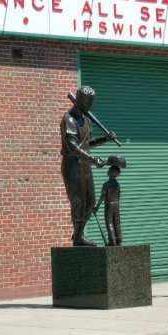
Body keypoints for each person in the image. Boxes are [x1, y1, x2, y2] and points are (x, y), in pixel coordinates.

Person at [60, 86, 116, 246]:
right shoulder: (69, 118)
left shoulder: (86, 118)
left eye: (91, 103)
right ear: (78, 100)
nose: (89, 106)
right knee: (79, 201)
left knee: (90, 201)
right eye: (87, 103)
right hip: (72, 165)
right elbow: (72, 146)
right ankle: (78, 236)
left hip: (85, 164)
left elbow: (86, 144)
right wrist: (92, 159)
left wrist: (105, 139)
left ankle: (79, 233)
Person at [96, 164, 123, 246]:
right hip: (116, 204)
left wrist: (97, 207)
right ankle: (119, 240)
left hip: (109, 205)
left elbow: (103, 196)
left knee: (109, 223)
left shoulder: (106, 184)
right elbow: (118, 196)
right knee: (117, 222)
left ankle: (112, 241)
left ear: (109, 173)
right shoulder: (117, 184)